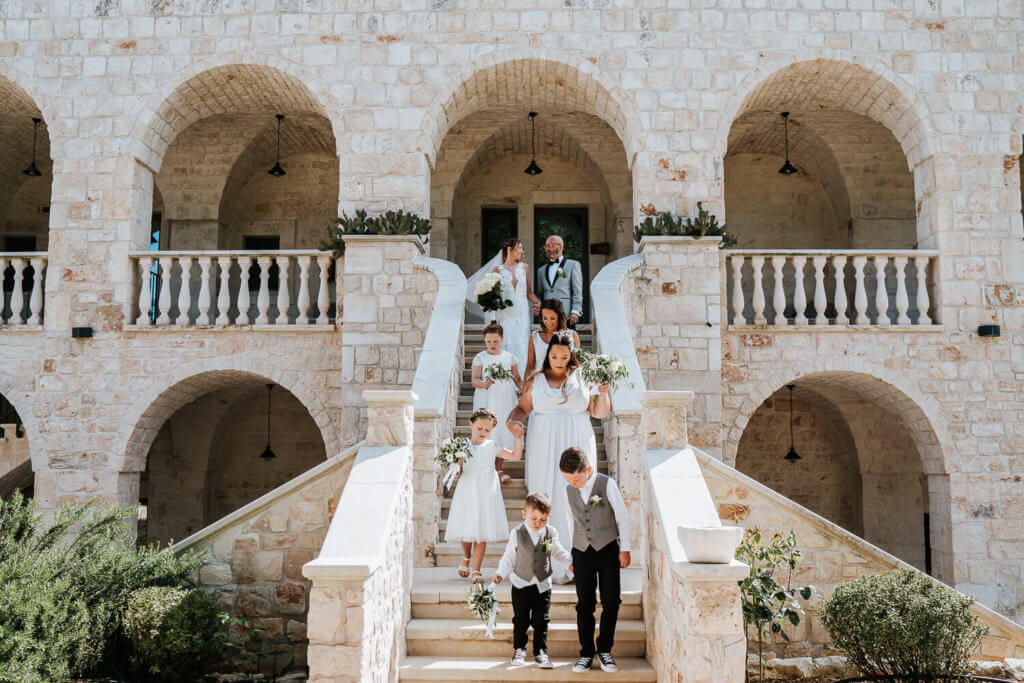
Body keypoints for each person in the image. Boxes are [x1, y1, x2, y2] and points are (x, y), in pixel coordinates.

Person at [506, 333, 610, 582]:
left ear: (571, 354)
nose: (559, 360)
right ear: (548, 354)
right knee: (545, 496)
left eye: (564, 356)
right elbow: (522, 409)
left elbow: (598, 412)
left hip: (577, 442)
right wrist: (514, 422)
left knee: (578, 500)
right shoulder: (536, 379)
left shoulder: (585, 376)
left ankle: (582, 564)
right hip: (544, 445)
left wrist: (604, 393)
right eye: (554, 356)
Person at [559, 447, 632, 674]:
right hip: (582, 551)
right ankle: (586, 653)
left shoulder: (606, 484)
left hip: (608, 548)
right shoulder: (568, 490)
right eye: (569, 479)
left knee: (612, 601)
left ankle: (605, 650)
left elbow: (623, 518)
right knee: (584, 605)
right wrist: (572, 555)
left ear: (588, 470)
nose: (575, 483)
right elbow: (571, 522)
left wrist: (625, 549)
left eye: (578, 479)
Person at [493, 491, 572, 669]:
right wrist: (500, 572)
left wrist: (570, 564)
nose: (538, 523)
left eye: (542, 520)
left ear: (548, 517)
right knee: (520, 620)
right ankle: (519, 649)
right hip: (520, 584)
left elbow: (558, 552)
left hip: (543, 586)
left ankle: (541, 652)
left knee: (541, 620)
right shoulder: (517, 533)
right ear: (524, 514)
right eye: (533, 519)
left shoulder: (550, 533)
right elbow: (509, 557)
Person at [445, 408, 523, 583]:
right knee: (466, 528)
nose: (483, 432)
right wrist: (455, 468)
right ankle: (466, 558)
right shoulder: (462, 446)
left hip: (487, 491)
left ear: (492, 430)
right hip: (468, 489)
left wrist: (518, 438)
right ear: (471, 424)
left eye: (487, 430)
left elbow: (516, 456)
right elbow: (459, 468)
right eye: (480, 428)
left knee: (482, 530)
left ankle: (476, 570)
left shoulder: (492, 446)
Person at [466, 238, 540, 370]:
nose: (522, 251)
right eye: (519, 248)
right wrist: (490, 307)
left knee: (521, 346)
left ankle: (521, 383)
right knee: (506, 346)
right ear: (509, 250)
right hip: (505, 315)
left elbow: (529, 293)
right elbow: (492, 296)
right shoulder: (498, 270)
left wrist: (538, 302)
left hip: (522, 315)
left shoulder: (525, 268)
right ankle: (506, 380)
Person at [471, 322, 522, 485]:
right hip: (487, 399)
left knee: (503, 432)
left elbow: (517, 378)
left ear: (502, 339)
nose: (492, 344)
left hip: (506, 399)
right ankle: (487, 469)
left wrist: (525, 389)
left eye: (495, 341)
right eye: (489, 341)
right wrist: (483, 383)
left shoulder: (510, 357)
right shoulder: (480, 357)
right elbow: (474, 380)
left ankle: (498, 469)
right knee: (489, 430)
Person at [535, 235, 584, 328]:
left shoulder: (573, 265)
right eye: (546, 246)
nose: (548, 248)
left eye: (551, 245)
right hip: (547, 316)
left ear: (560, 246)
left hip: (566, 314)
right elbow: (540, 294)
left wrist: (575, 311)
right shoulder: (541, 270)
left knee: (565, 342)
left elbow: (577, 291)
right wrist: (538, 307)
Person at [527, 299, 581, 373]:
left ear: (559, 317)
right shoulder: (534, 336)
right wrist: (526, 383)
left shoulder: (572, 335)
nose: (548, 322)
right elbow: (530, 367)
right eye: (545, 318)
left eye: (552, 318)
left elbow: (577, 365)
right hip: (540, 381)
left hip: (564, 381)